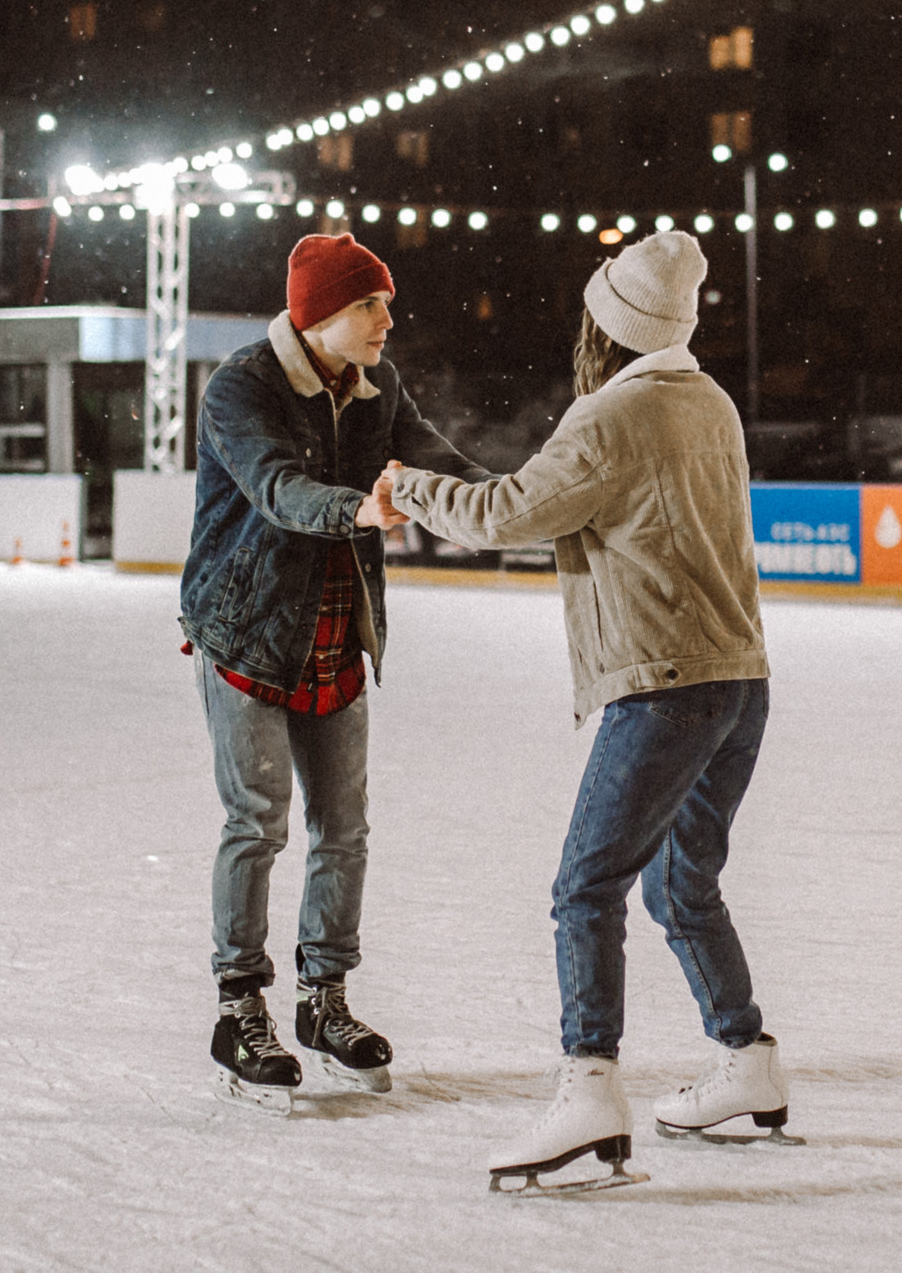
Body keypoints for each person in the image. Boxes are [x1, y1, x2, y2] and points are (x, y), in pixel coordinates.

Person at [382, 231, 782, 1190]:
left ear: (611, 328)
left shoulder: (614, 416)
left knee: (585, 887)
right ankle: (747, 1056)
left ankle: (590, 1086)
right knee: (680, 885)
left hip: (664, 684)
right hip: (737, 680)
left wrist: (408, 490)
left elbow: (510, 512)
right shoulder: (709, 402)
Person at [181, 230, 489, 1113]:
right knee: (257, 823)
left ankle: (325, 1000)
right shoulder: (241, 387)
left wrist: (525, 507)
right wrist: (361, 505)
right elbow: (276, 488)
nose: (387, 321)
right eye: (370, 305)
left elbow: (442, 464)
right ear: (319, 314)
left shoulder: (378, 386)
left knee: (345, 830)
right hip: (245, 635)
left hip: (334, 636)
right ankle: (239, 1006)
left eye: (386, 303)